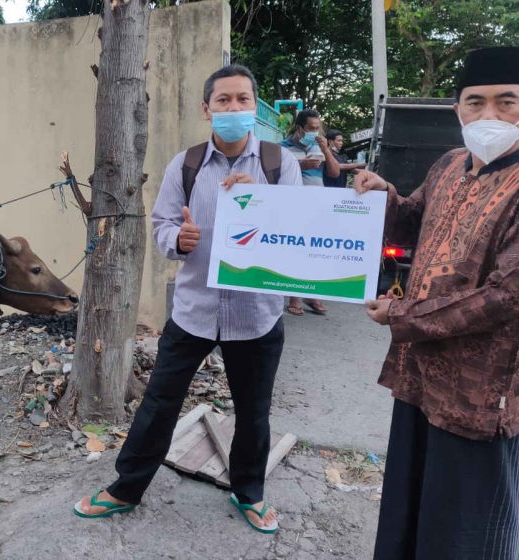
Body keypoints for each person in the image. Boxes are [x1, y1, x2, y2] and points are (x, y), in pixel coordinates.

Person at [73, 64, 303, 534]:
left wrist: (263, 201)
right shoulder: (187, 164)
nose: (233, 108)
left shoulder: (281, 165)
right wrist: (180, 240)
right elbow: (160, 226)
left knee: (254, 411)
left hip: (256, 316)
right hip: (194, 309)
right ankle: (125, 488)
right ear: (207, 109)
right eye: (223, 101)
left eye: (243, 99)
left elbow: (297, 231)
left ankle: (249, 493)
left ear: (254, 108)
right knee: (159, 403)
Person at [355, 46, 519, 559]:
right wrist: (384, 194)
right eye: (475, 102)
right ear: (457, 110)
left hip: (481, 394)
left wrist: (402, 315)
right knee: (410, 506)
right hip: (420, 379)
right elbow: (412, 219)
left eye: (507, 102)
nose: (489, 115)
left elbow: (507, 294)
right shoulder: (450, 164)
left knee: (466, 526)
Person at [281, 109, 340, 316]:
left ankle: (312, 294)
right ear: (299, 128)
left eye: (318, 128)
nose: (316, 132)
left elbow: (334, 173)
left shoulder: (320, 146)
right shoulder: (283, 148)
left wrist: (326, 151)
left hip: (318, 207)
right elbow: (273, 172)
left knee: (315, 250)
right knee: (296, 249)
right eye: (311, 128)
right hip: (293, 206)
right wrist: (299, 165)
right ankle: (294, 297)